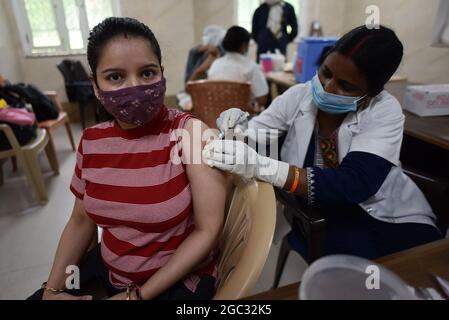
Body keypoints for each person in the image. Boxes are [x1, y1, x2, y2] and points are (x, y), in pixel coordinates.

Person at [203, 25, 443, 260]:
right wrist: (235, 130)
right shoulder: (301, 95)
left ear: (372, 92)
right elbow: (257, 133)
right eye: (326, 72)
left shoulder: (383, 110)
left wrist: (264, 168)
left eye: (346, 86)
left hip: (381, 214)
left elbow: (354, 184)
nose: (328, 87)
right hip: (318, 212)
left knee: (413, 269)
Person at [28, 17, 226, 300]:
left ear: (162, 74)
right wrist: (54, 288)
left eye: (147, 73)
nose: (134, 87)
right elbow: (81, 221)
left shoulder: (189, 134)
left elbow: (208, 232)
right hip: (110, 270)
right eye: (115, 77)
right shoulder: (92, 142)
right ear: (95, 86)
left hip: (176, 280)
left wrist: (138, 296)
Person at [208, 26, 269, 111]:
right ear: (244, 45)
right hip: (243, 120)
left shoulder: (215, 64)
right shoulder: (251, 67)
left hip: (217, 116)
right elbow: (262, 99)